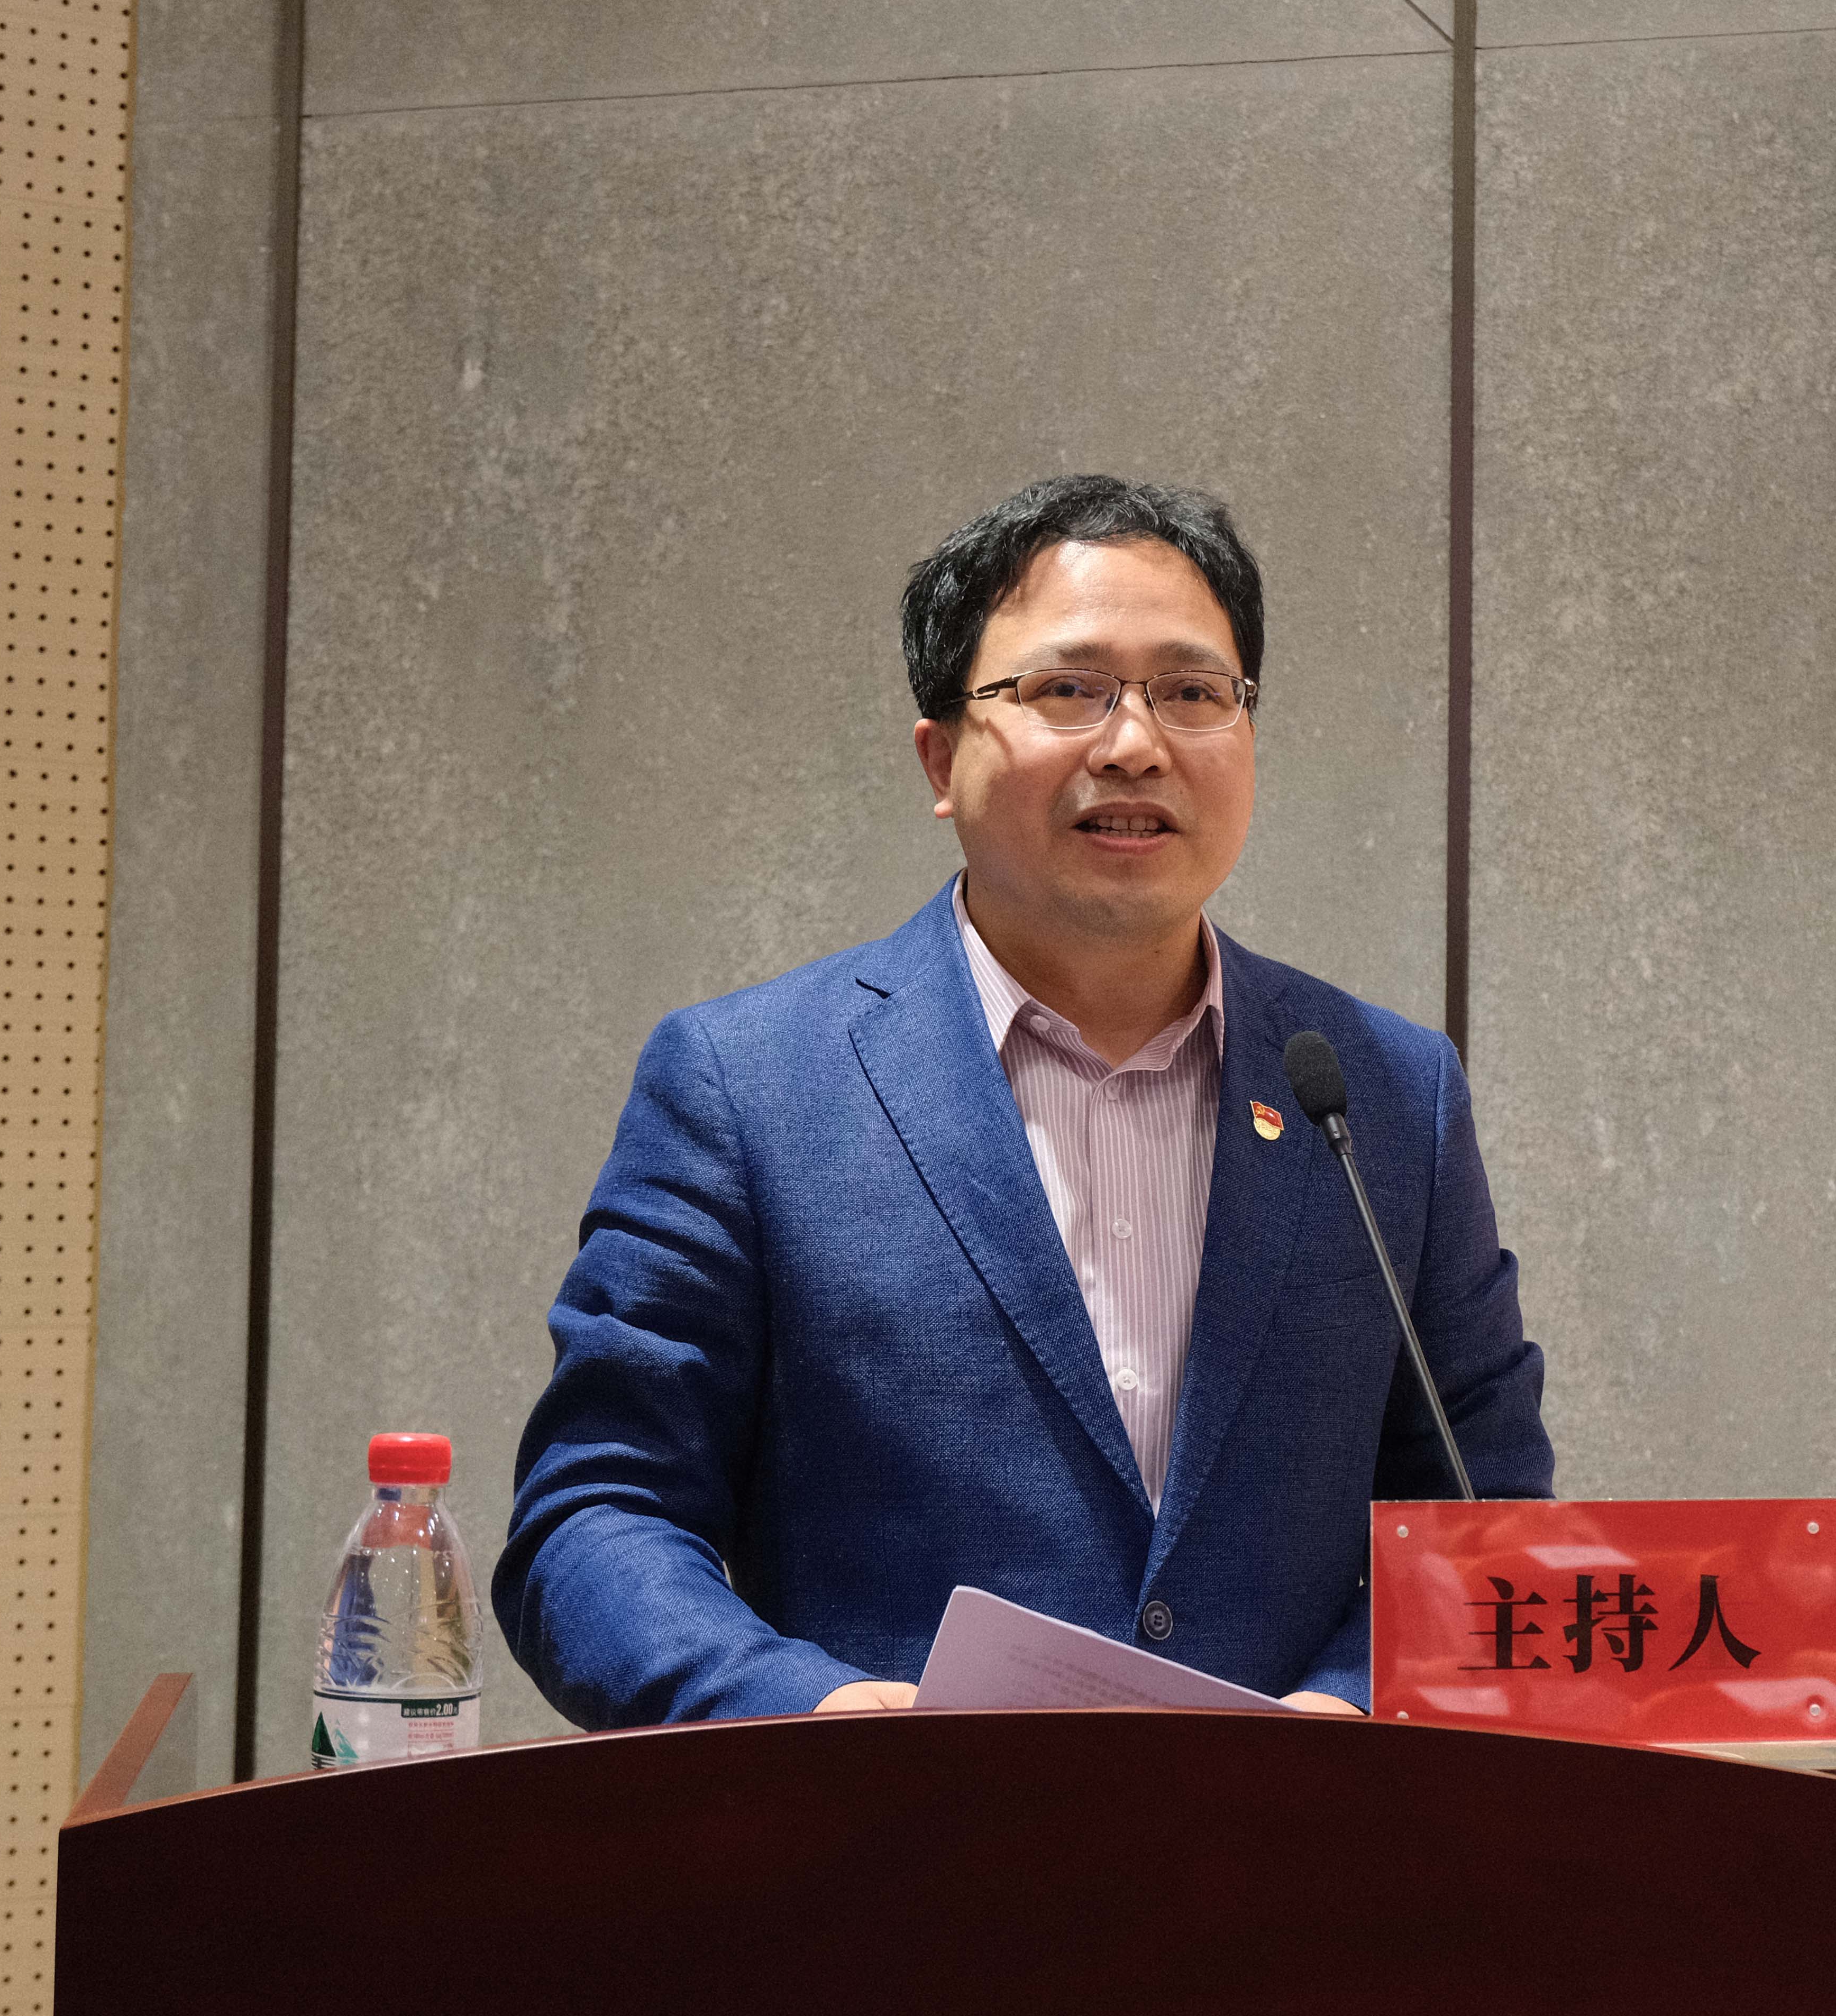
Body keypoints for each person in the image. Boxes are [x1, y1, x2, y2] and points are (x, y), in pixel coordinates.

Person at [493, 474, 1551, 1725]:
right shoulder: (749, 1085)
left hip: (1295, 1835)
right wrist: (799, 1713)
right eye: (1068, 690)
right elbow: (597, 1514)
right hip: (887, 1832)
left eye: (1193, 692)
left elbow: (1484, 1513)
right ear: (942, 758)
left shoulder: (1382, 1093)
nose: (1135, 744)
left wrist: (1356, 1710)